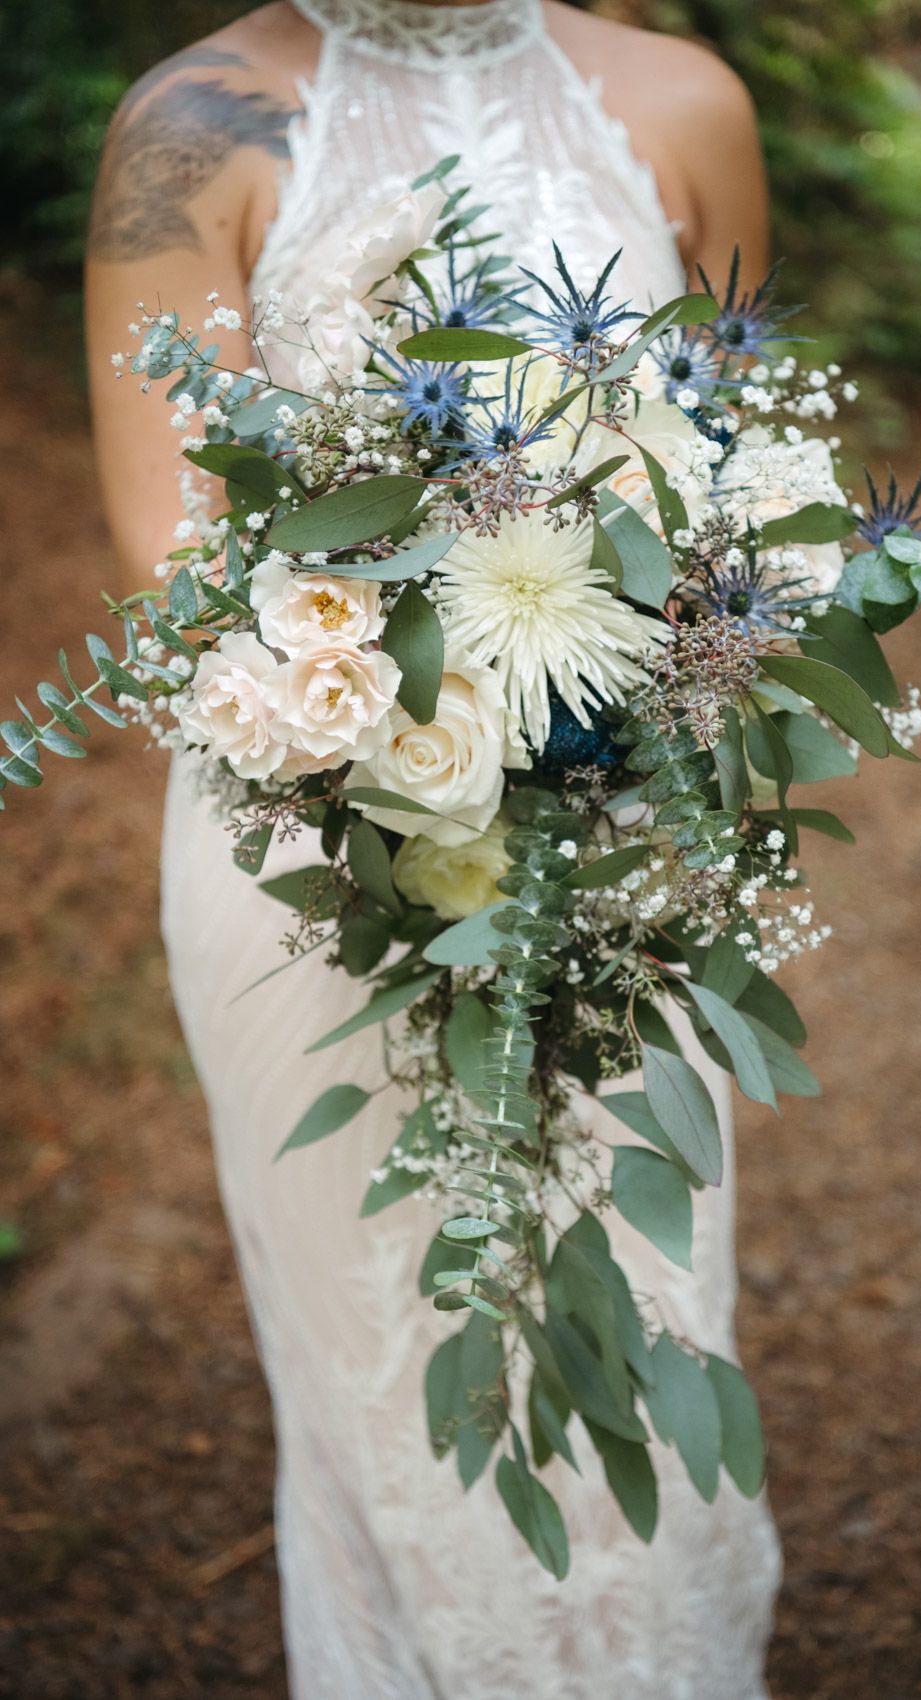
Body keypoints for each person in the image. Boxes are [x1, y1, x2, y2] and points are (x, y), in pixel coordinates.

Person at [85, 4, 782, 1694]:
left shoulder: (684, 100)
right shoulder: (192, 124)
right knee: (381, 1368)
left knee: (634, 1302)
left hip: (623, 834)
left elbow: (745, 490)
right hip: (307, 845)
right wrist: (434, 699)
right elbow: (174, 578)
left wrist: (657, 655)